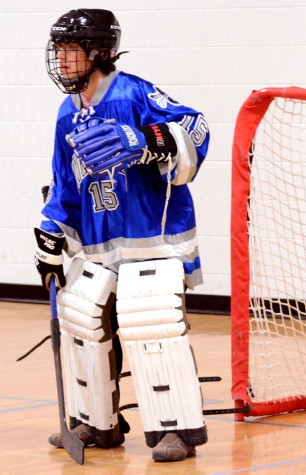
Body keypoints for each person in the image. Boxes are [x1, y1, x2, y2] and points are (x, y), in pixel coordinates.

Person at [35, 8, 210, 462]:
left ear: (100, 53)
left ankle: (175, 430)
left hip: (152, 237)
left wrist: (148, 140)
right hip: (99, 244)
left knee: (146, 316)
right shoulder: (66, 114)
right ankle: (97, 422)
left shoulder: (134, 92)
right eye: (59, 50)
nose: (62, 60)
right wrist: (51, 231)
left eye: (71, 50)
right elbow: (65, 183)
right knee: (80, 315)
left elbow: (196, 126)